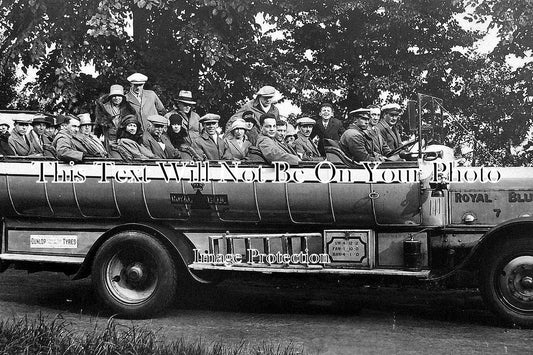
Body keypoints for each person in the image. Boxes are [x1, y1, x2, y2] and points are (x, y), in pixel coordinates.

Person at [95, 84, 136, 158]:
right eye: (114, 96)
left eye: (119, 96)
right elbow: (97, 128)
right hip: (108, 142)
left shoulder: (128, 109)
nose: (116, 98)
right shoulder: (103, 109)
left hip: (123, 142)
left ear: (123, 97)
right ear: (110, 97)